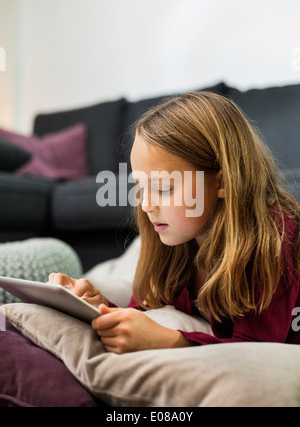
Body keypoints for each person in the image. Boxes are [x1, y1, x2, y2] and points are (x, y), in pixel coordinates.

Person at [49, 91, 300, 354]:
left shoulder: (274, 238)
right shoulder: (178, 243)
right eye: (141, 187)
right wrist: (99, 307)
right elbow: (142, 318)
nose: (146, 206)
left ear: (222, 182)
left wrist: (173, 341)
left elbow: (262, 352)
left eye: (163, 188)